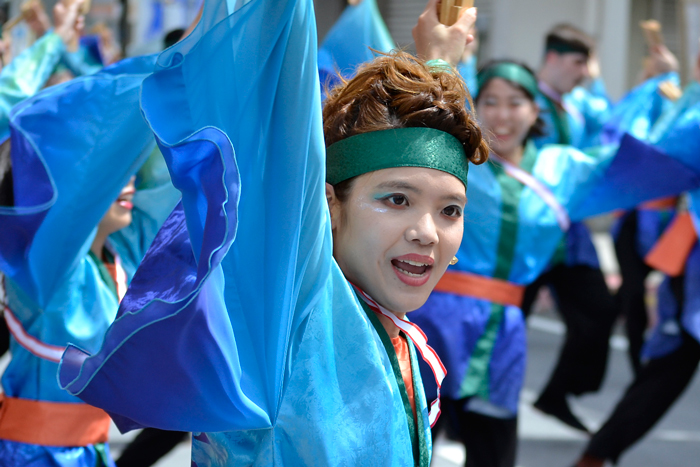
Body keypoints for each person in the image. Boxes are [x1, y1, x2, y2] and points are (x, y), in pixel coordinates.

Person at [58, 1, 487, 466]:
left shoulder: (377, 322)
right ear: (327, 203)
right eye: (396, 200)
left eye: (450, 210)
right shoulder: (291, 307)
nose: (427, 232)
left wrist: (439, 63)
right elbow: (281, 82)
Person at [409, 58, 700, 467]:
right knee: (407, 447)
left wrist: (678, 92)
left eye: (516, 102)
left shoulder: (563, 170)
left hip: (502, 335)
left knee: (493, 453)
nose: (502, 115)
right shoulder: (451, 157)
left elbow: (648, 156)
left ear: (535, 111)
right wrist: (444, 51)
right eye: (490, 101)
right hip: (430, 322)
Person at [0, 49, 179, 466]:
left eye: (129, 170)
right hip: (31, 456)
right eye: (114, 173)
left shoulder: (123, 255)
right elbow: (92, 179)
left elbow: (169, 184)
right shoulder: (49, 270)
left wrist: (200, 65)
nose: (128, 181)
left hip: (89, 452)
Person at [573, 61, 700, 467]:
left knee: (667, 361)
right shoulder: (691, 109)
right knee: (667, 360)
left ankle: (599, 450)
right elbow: (649, 152)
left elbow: (649, 152)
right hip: (669, 244)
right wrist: (661, 92)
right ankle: (600, 450)